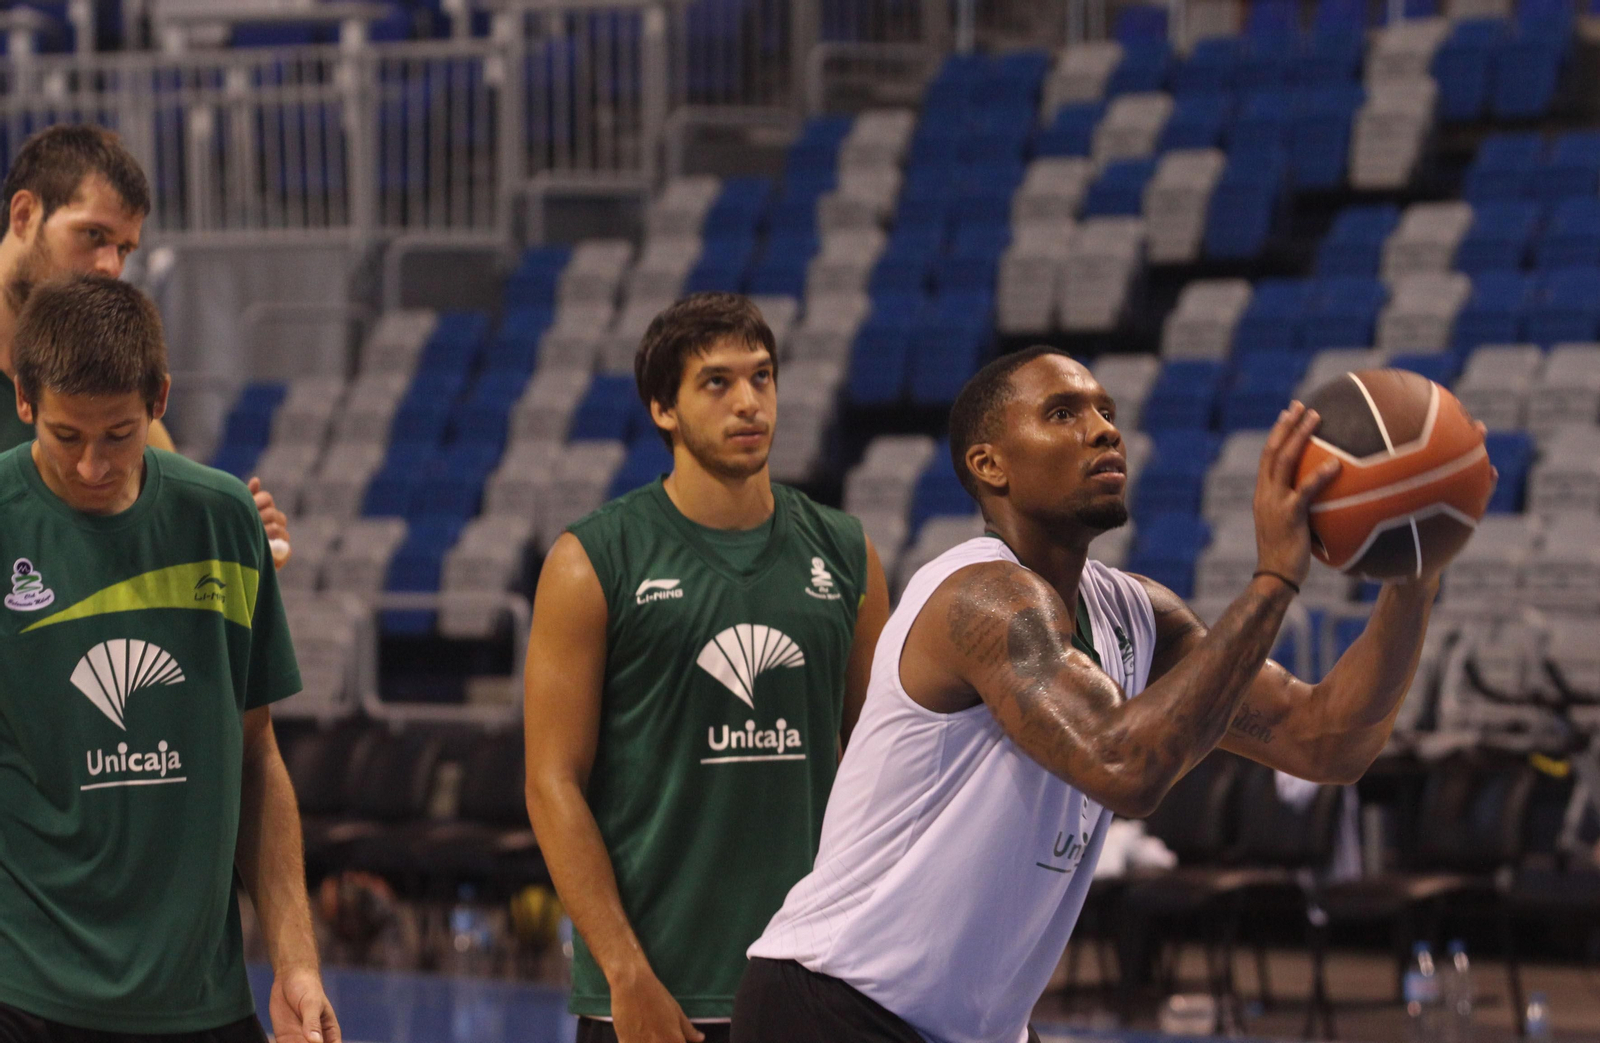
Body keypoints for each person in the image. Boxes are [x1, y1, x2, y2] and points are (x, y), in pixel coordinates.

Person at [735, 346, 1482, 1043]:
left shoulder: (1135, 612)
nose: (1101, 431)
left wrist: (1416, 567)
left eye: (1106, 412)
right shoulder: (978, 596)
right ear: (989, 464)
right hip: (832, 1003)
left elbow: (1327, 739)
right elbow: (1124, 766)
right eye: (1063, 413)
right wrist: (1274, 579)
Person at [524, 292, 891, 1043]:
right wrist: (626, 972)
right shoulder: (592, 560)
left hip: (811, 980)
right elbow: (551, 782)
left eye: (762, 377)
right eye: (717, 383)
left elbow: (888, 764)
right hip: (655, 991)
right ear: (664, 408)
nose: (749, 402)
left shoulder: (847, 553)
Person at [0, 275, 338, 1043]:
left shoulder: (224, 518)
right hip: (24, 991)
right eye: (66, 435)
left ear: (159, 399)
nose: (92, 465)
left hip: (201, 997)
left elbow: (256, 755)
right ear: (24, 401)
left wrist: (296, 961)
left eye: (117, 434)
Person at [0, 123, 292, 566]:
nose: (109, 267)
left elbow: (160, 543)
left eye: (123, 249)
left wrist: (231, 539)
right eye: (93, 235)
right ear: (23, 215)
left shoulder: (118, 394)